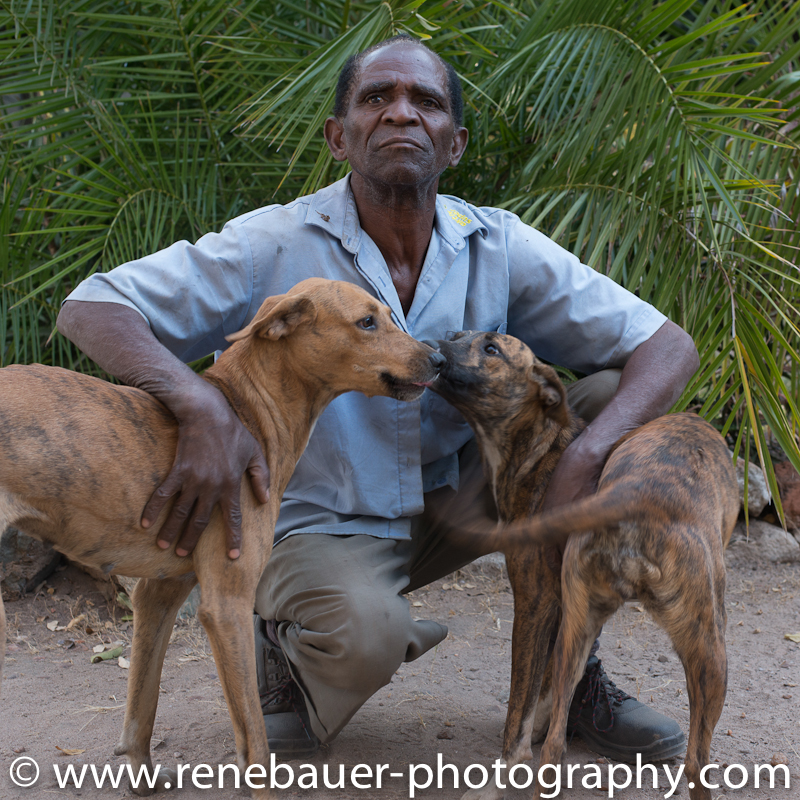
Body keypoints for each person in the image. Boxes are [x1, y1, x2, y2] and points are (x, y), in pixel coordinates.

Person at [57, 34, 699, 764]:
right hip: (313, 525)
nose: (401, 113)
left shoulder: (496, 245)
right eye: (377, 98)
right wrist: (199, 406)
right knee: (365, 638)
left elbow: (668, 346)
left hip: (453, 507)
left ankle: (568, 676)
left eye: (426, 101)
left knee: (608, 405)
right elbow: (92, 306)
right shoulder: (270, 246)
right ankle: (289, 652)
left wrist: (582, 459)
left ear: (454, 144)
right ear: (339, 136)